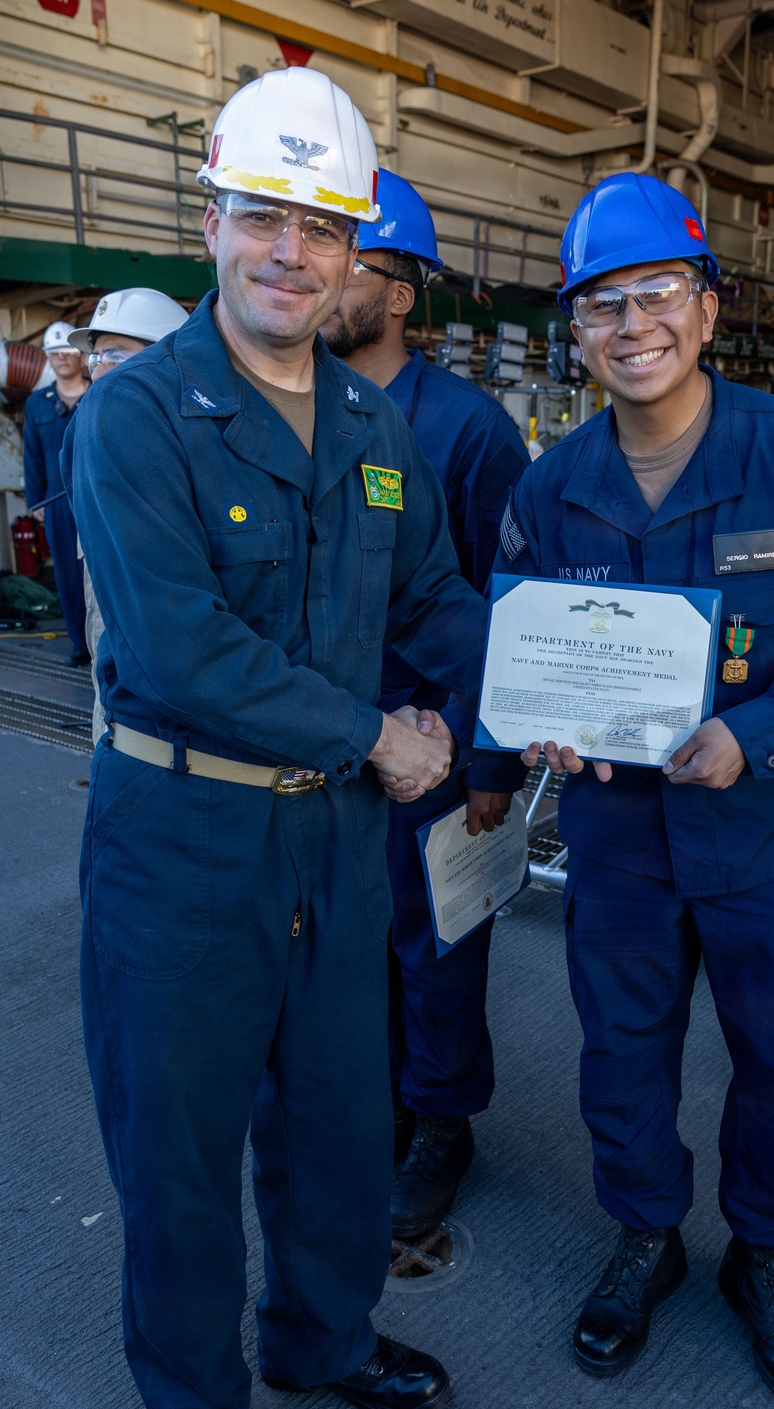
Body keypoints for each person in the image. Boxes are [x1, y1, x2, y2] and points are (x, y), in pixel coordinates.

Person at [62, 67, 494, 1409]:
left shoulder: (377, 421)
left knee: (332, 1120)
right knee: (178, 1148)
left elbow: (435, 599)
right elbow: (181, 651)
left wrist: (552, 681)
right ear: (213, 222)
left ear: (354, 252)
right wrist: (383, 730)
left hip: (331, 845)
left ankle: (323, 1338)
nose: (293, 255)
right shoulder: (137, 417)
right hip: (180, 843)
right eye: (266, 219)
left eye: (323, 228)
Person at [492, 173, 774, 1409]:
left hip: (768, 836)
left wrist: (762, 732)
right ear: (576, 334)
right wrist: (540, 735)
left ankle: (765, 1260)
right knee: (621, 1056)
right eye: (601, 306)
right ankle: (646, 1236)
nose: (634, 327)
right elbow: (523, 652)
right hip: (620, 841)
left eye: (658, 295)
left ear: (709, 308)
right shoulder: (548, 486)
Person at [324, 170, 529, 1239]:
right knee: (345, 943)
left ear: (400, 291)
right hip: (322, 741)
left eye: (344, 255)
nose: (317, 273)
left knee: (436, 944)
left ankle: (442, 1125)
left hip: (439, 742)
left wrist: (490, 761)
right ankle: (383, 1100)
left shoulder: (470, 431)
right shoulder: (291, 410)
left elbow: (503, 609)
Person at [69, 288, 190, 743]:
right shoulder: (94, 420)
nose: (98, 370)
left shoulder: (187, 430)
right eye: (95, 358)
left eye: (114, 355)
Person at [22, 321, 89, 663]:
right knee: (66, 572)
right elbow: (31, 454)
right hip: (56, 502)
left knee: (103, 569)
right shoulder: (36, 405)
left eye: (67, 352)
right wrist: (35, 501)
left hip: (96, 497)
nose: (61, 358)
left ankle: (108, 642)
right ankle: (81, 643)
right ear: (47, 359)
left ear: (80, 357)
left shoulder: (100, 391)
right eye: (54, 353)